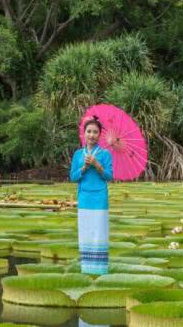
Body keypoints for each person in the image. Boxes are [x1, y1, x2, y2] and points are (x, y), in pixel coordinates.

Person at [69, 116, 113, 275]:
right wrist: (85, 167)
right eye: (89, 131)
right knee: (86, 231)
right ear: (84, 133)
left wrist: (97, 165)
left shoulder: (105, 154)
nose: (92, 135)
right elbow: (73, 177)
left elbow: (109, 176)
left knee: (99, 231)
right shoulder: (78, 154)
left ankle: (100, 269)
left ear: (99, 134)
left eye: (95, 132)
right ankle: (86, 268)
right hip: (85, 197)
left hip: (100, 197)